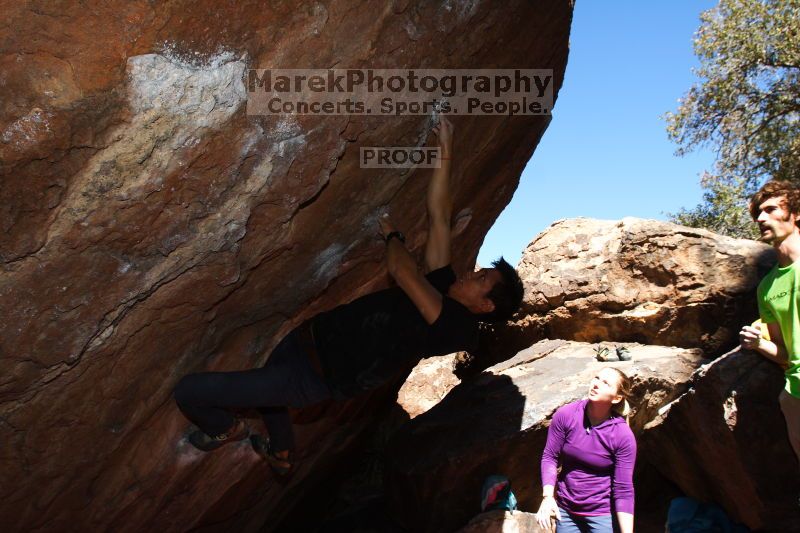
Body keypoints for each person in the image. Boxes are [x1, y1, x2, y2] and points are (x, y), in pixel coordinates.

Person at [173, 117, 524, 475]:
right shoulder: (445, 286)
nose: (471, 273)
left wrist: (393, 238)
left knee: (190, 391)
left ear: (485, 305)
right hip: (309, 339)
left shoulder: (456, 327)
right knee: (267, 390)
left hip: (312, 378)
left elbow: (404, 273)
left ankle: (225, 429)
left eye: (480, 278)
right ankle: (281, 452)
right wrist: (446, 149)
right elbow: (438, 217)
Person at [739, 180, 800, 470]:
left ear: (795, 214)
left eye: (770, 209)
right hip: (796, 393)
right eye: (757, 215)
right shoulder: (767, 287)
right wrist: (758, 343)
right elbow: (786, 355)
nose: (761, 219)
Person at [535, 367, 636, 533]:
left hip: (602, 516)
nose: (596, 384)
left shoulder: (622, 435)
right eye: (596, 378)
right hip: (566, 512)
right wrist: (547, 497)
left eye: (605, 383)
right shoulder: (566, 415)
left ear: (617, 398)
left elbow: (623, 489)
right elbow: (550, 457)